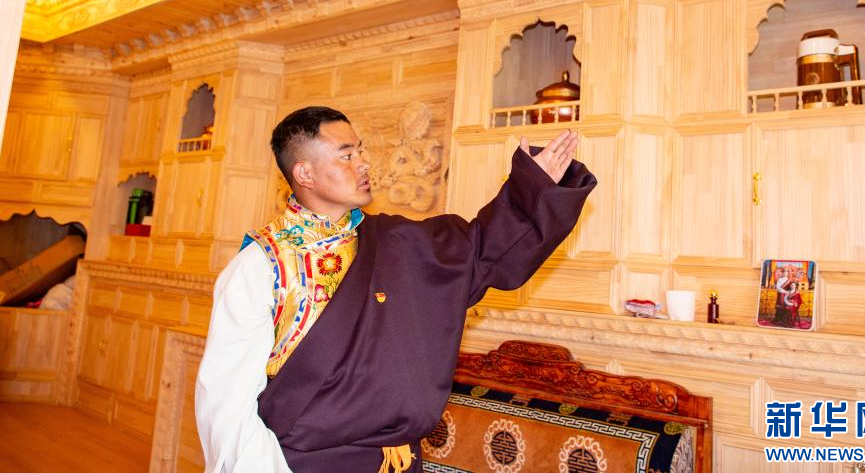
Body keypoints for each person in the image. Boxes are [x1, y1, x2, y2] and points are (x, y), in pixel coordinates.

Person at [195, 106, 597, 473]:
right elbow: (226, 403)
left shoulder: (399, 243)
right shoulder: (261, 266)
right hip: (303, 463)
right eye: (346, 155)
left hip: (397, 461)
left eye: (361, 151)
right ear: (305, 174)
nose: (364, 163)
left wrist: (533, 188)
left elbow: (483, 249)